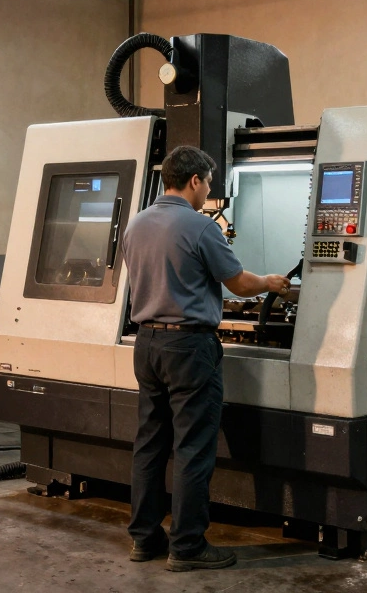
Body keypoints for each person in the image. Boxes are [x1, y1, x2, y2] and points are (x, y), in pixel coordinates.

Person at [122, 145, 291, 572]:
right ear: (194, 181)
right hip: (189, 348)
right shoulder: (199, 228)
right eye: (209, 182)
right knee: (193, 448)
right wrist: (271, 281)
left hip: (147, 344)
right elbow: (237, 282)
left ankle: (144, 539)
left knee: (149, 444)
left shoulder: (136, 224)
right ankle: (188, 546)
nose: (210, 191)